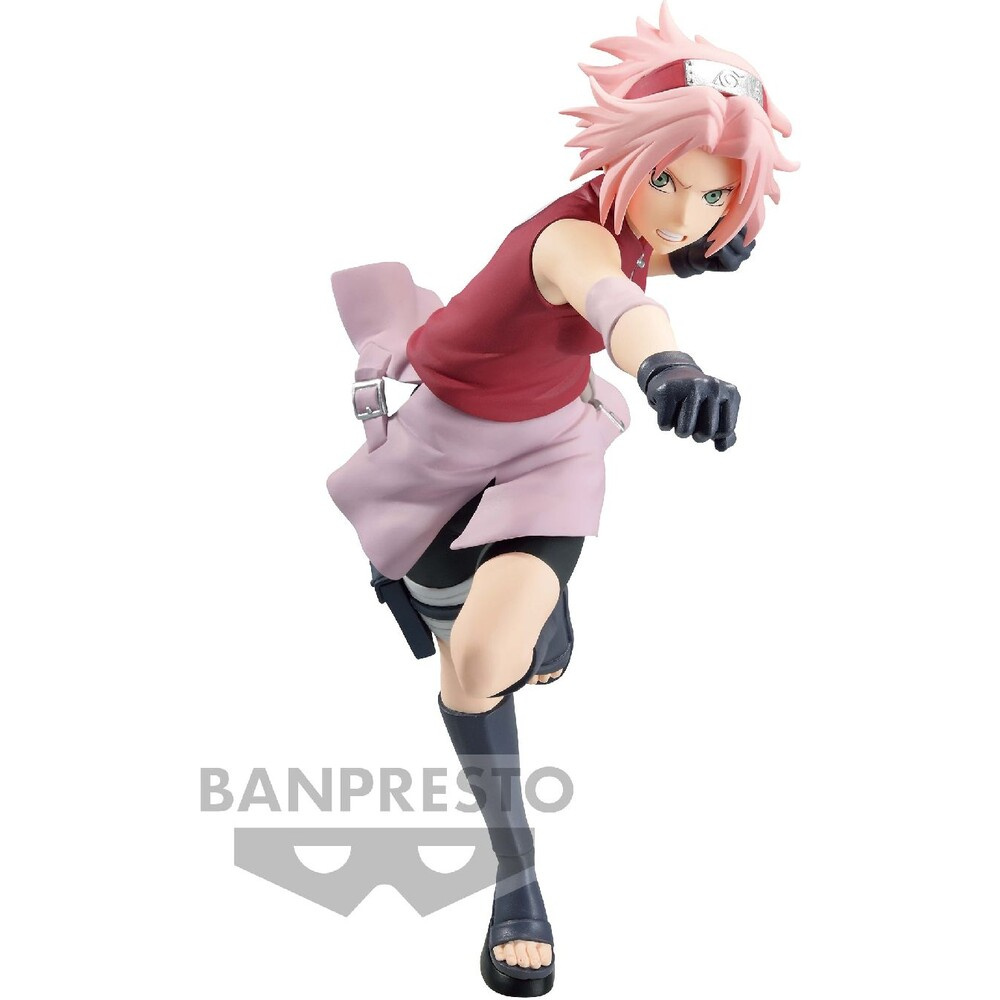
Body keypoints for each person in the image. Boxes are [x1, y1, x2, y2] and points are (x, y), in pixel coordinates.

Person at [326, 4, 796, 994]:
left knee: (481, 663)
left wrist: (692, 253)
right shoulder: (569, 238)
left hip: (548, 452)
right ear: (625, 157)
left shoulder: (651, 230)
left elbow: (645, 272)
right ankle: (523, 598)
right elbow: (610, 295)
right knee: (456, 635)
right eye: (665, 182)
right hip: (434, 458)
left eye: (713, 194)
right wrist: (666, 365)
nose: (682, 213)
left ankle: (516, 880)